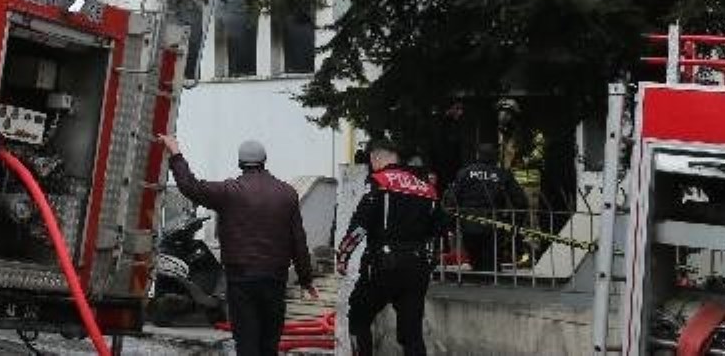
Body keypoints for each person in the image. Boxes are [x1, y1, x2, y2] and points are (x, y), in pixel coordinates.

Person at [159, 134, 317, 356]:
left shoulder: (229, 192)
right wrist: (306, 278)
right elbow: (298, 240)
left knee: (247, 342)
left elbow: (190, 186)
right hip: (275, 279)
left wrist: (175, 153)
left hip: (241, 279)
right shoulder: (287, 194)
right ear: (264, 161)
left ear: (240, 163)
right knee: (269, 343)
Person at [338, 139, 450, 356]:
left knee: (359, 316)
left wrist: (343, 255)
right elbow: (441, 230)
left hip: (383, 264)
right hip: (418, 266)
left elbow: (359, 226)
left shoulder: (378, 182)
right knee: (412, 333)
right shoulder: (426, 187)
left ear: (375, 158)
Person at [447, 142, 527, 272]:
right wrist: (513, 223)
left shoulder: (465, 173)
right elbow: (520, 201)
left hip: (469, 222)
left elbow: (452, 199)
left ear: (478, 155)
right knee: (492, 263)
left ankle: (478, 282)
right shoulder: (502, 174)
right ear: (495, 157)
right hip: (494, 223)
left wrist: (453, 222)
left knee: (476, 261)